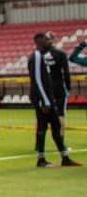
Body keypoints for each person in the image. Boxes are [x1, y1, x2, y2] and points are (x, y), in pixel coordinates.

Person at [29, 31, 82, 167]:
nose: (49, 42)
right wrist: (44, 101)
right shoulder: (36, 56)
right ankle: (41, 159)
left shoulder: (41, 55)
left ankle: (65, 157)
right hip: (43, 99)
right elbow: (37, 80)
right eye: (46, 40)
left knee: (55, 126)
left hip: (49, 97)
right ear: (39, 41)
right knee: (42, 127)